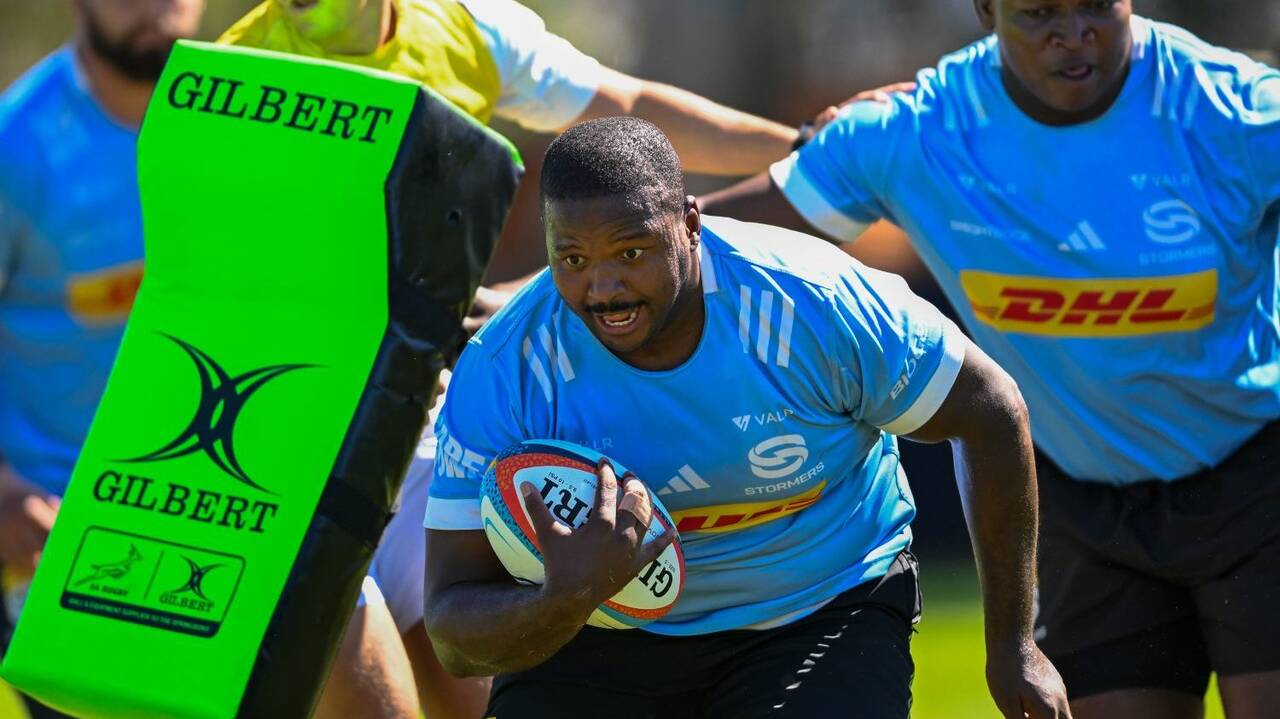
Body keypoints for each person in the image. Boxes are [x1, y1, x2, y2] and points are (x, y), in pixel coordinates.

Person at [218, 1, 819, 714]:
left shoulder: (465, 25)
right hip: (283, 461)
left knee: (492, 690)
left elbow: (624, 108)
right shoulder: (238, 72)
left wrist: (806, 147)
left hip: (417, 437)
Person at [700, 2, 1280, 717]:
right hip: (1078, 501)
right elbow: (694, 247)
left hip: (1258, 477)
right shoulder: (917, 132)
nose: (1074, 33)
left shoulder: (1236, 111)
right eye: (1039, 12)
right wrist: (582, 265)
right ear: (985, 9)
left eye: (1097, 5)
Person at [421, 116, 1070, 719]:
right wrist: (562, 597)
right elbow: (452, 630)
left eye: (632, 252)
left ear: (690, 224)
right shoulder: (506, 367)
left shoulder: (811, 301)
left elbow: (991, 408)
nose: (604, 288)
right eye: (573, 260)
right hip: (596, 627)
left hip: (818, 605)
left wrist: (1015, 645)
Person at [0, 3, 413, 718]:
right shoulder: (19, 146)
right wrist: (2, 492)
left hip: (242, 508)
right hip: (68, 539)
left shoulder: (259, 118)